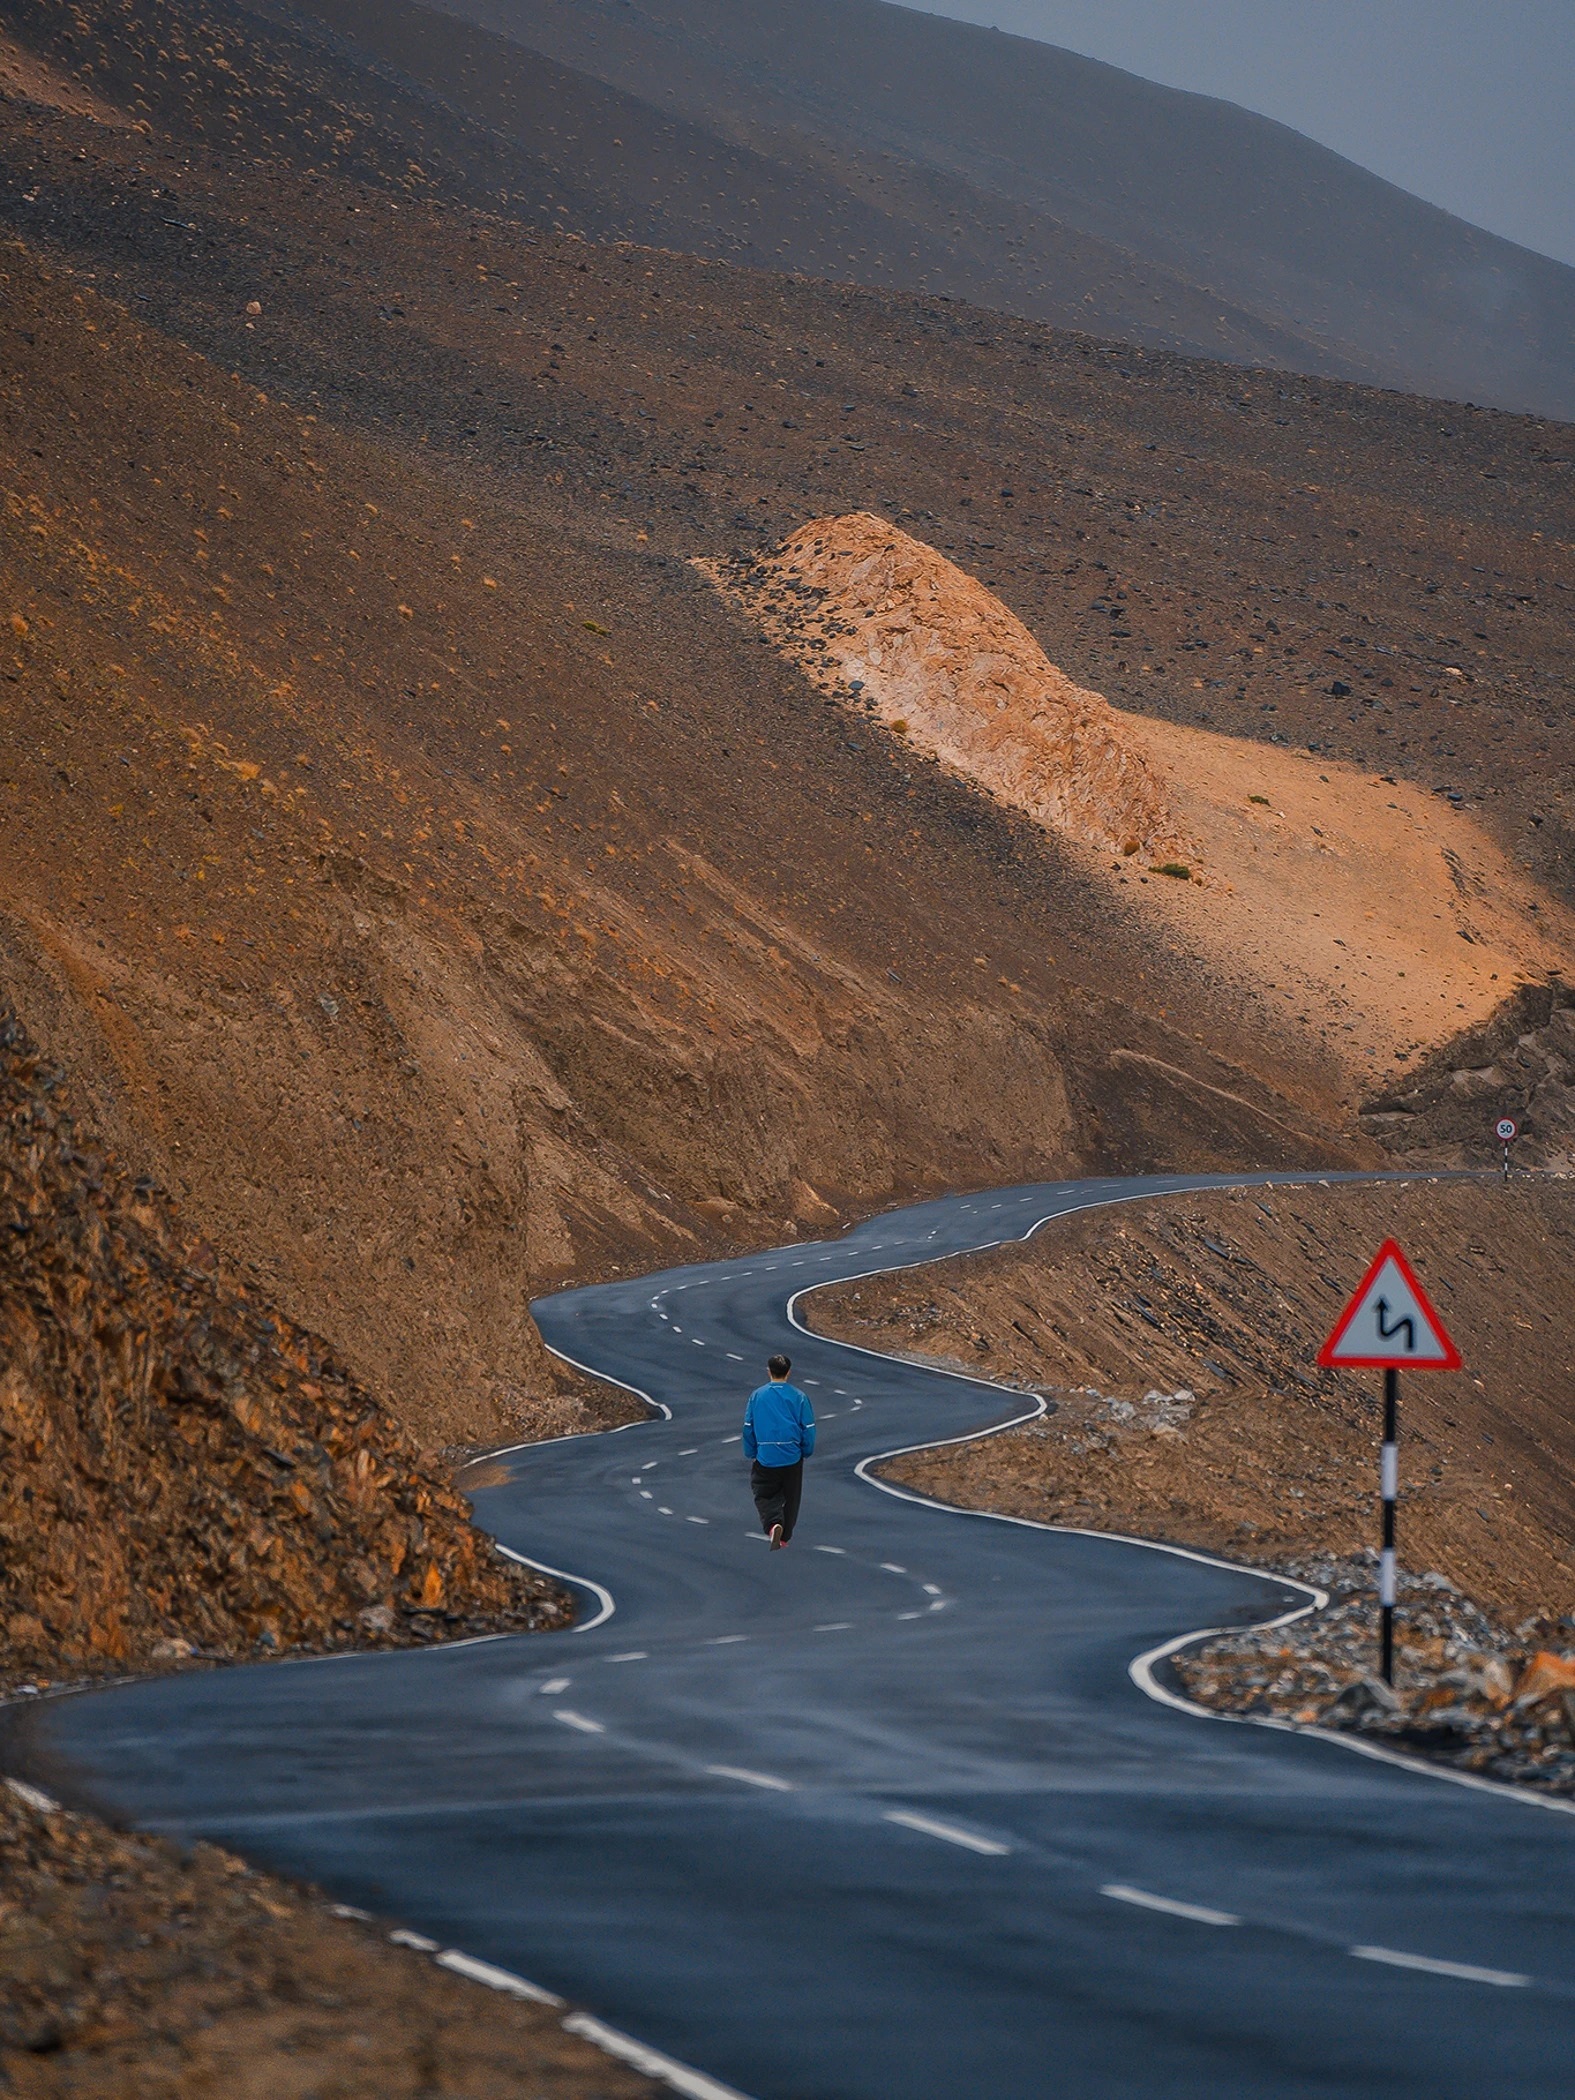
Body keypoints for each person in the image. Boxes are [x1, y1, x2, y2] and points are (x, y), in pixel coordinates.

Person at [742, 1353, 816, 1549]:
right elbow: (808, 1428)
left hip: (766, 1455)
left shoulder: (757, 1396)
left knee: (764, 1493)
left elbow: (748, 1427)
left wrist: (751, 1452)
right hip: (792, 1455)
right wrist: (806, 1451)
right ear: (788, 1372)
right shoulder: (799, 1397)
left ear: (769, 1371)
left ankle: (773, 1524)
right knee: (792, 1496)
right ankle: (785, 1535)